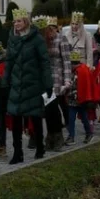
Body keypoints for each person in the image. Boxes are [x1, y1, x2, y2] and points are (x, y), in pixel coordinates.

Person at [6, 8, 53, 164]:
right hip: (17, 84)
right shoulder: (12, 38)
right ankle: (18, 152)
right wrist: (5, 79)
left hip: (33, 83)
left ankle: (40, 147)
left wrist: (48, 83)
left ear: (25, 22)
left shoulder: (37, 39)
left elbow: (45, 62)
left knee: (35, 116)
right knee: (16, 118)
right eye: (14, 21)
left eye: (19, 21)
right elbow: (9, 61)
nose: (16, 24)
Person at [37, 15, 70, 152]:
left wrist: (67, 80)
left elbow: (66, 60)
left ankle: (57, 136)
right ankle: (50, 135)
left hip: (57, 78)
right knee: (47, 110)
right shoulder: (41, 40)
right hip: (44, 79)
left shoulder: (61, 38)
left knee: (54, 109)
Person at [65, 50, 96, 144]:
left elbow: (87, 85)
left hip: (82, 101)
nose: (72, 66)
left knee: (85, 118)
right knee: (70, 119)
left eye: (73, 64)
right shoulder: (69, 71)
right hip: (72, 101)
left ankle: (89, 134)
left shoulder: (83, 70)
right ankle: (71, 136)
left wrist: (88, 98)